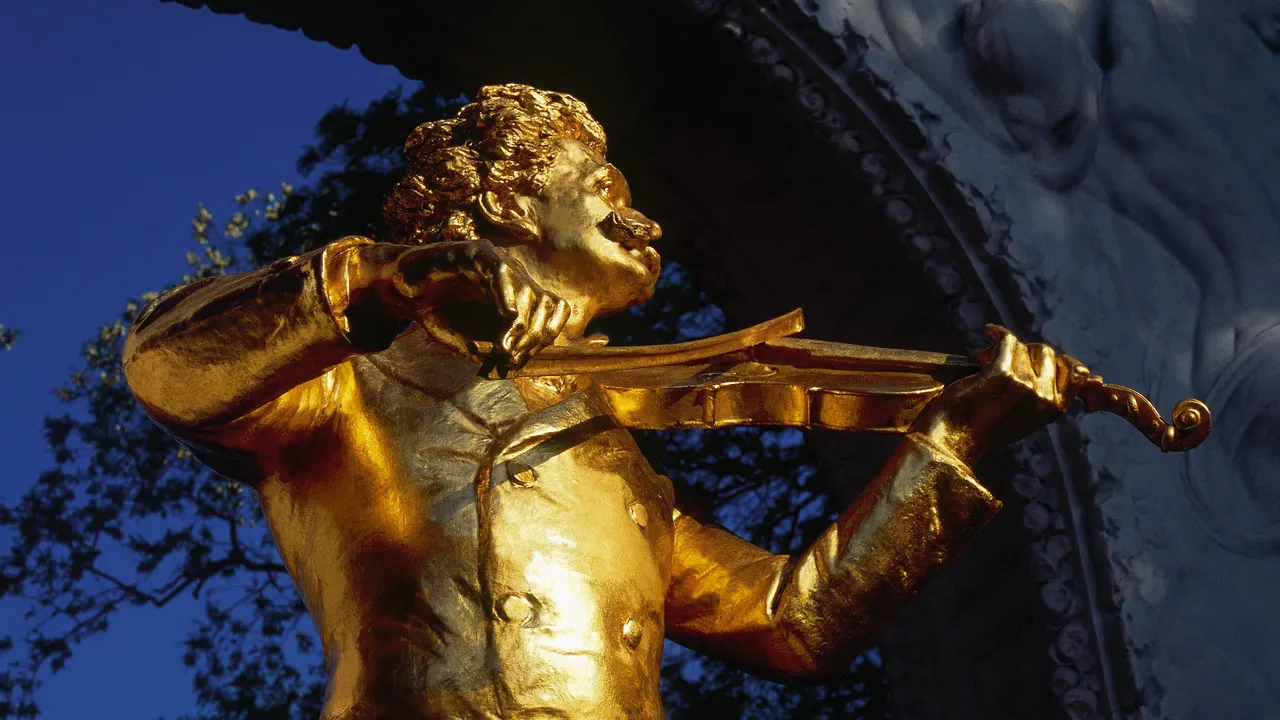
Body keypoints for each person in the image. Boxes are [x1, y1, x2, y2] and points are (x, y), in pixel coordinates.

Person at [123, 84, 1088, 719]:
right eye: (599, 187)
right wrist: (387, 282)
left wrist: (950, 444)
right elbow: (166, 368)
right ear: (506, 204)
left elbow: (793, 622)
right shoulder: (344, 384)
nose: (644, 215)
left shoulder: (618, 463)